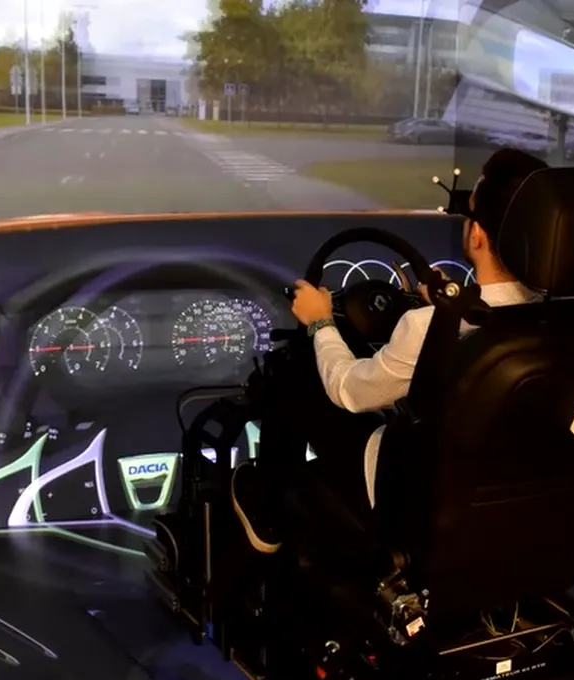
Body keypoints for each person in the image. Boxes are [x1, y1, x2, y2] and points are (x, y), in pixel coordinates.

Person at [232, 147, 549, 554]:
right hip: (508, 500)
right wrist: (450, 302)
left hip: (410, 494)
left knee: (295, 372)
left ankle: (267, 507)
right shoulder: (565, 320)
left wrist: (320, 321)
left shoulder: (429, 328)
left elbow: (351, 391)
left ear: (477, 235)